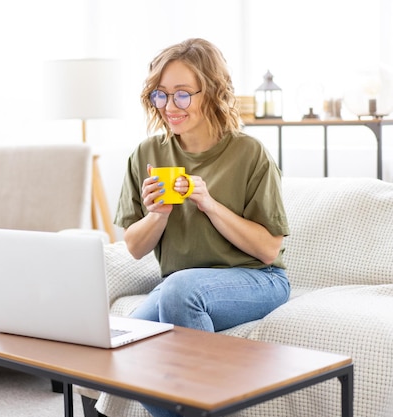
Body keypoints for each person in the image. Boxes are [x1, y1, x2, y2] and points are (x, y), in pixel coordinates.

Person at [113, 38, 291, 417]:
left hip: (257, 280)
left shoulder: (249, 153)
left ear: (210, 92)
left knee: (179, 289)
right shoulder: (146, 154)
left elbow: (269, 250)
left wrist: (208, 204)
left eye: (182, 95)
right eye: (160, 95)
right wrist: (157, 214)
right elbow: (133, 246)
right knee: (122, 349)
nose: (169, 107)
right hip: (181, 286)